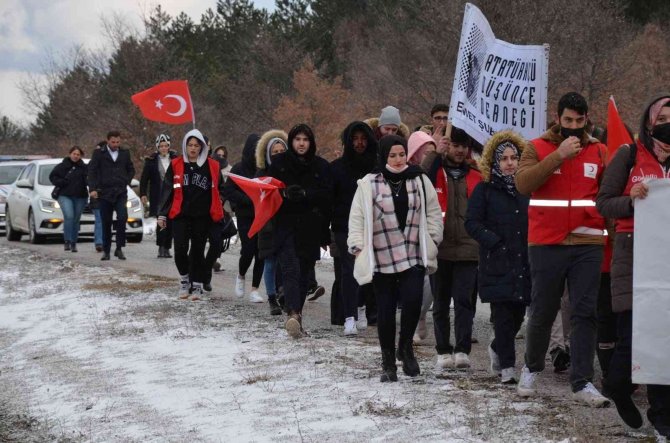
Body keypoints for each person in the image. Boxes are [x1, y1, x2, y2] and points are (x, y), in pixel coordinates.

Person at [515, 92, 610, 407]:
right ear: (557, 118)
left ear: (586, 120)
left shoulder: (599, 151)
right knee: (543, 309)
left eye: (579, 121)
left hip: (588, 241)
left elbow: (608, 192)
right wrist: (557, 156)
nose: (573, 126)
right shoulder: (536, 147)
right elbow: (524, 184)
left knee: (585, 312)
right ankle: (531, 369)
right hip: (546, 241)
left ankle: (582, 382)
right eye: (567, 120)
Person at [596, 94, 670, 436]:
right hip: (633, 253)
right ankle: (616, 385)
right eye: (664, 116)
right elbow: (604, 203)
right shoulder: (628, 156)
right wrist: (632, 199)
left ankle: (662, 415)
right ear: (650, 121)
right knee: (631, 333)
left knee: (663, 339)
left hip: (667, 256)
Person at [348, 134, 443, 382]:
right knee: (386, 310)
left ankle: (406, 347)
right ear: (384, 155)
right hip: (383, 253)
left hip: (413, 251)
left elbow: (433, 211)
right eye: (393, 155)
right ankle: (388, 361)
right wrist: (357, 244)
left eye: (402, 154)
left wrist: (433, 238)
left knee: (413, 302)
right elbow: (357, 216)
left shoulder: (419, 179)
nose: (398, 160)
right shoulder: (370, 183)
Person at [464, 131, 531, 384]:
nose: (510, 162)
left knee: (517, 316)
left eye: (514, 157)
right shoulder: (485, 189)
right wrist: (494, 242)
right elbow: (471, 222)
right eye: (504, 158)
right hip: (498, 261)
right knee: (502, 316)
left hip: (523, 261)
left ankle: (497, 347)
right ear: (494, 161)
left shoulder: (527, 189)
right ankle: (508, 368)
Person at [422, 127, 482, 370]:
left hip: (469, 248)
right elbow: (420, 176)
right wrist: (434, 151)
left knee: (464, 301)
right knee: (441, 302)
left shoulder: (477, 175)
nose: (459, 150)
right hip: (440, 247)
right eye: (455, 145)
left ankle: (462, 349)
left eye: (463, 146)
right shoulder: (436, 171)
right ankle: (443, 349)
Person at [266, 123, 332, 338]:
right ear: (291, 141)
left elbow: (326, 197)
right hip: (285, 224)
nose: (301, 143)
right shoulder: (278, 163)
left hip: (311, 225)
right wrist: (285, 194)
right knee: (290, 268)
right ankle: (293, 313)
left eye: (305, 139)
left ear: (311, 142)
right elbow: (267, 191)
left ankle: (297, 315)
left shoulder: (320, 166)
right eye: (297, 139)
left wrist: (305, 194)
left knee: (304, 272)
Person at [157, 129, 224, 300]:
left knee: (197, 251)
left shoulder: (212, 166)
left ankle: (198, 284)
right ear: (185, 146)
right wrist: (162, 214)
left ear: (202, 147)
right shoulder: (176, 164)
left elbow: (221, 189)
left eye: (196, 145)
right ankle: (185, 279)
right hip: (180, 214)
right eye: (190, 145)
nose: (193, 148)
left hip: (202, 216)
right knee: (180, 249)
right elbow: (167, 190)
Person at [330, 121, 379, 336]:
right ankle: (349, 316)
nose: (359, 143)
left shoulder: (377, 168)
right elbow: (330, 200)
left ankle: (362, 309)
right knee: (348, 271)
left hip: (372, 225)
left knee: (369, 271)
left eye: (363, 139)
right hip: (343, 227)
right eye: (355, 139)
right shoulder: (337, 168)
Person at [222, 134, 265, 303]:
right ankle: (241, 276)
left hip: (262, 215)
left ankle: (255, 289)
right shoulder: (238, 169)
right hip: (245, 215)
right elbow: (229, 190)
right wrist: (247, 199)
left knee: (260, 251)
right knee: (248, 249)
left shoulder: (264, 168)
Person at [407, 130, 438, 344]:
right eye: (425, 152)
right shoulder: (408, 172)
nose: (429, 155)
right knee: (417, 281)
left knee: (432, 281)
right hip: (412, 234)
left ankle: (421, 314)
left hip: (434, 230)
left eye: (432, 151)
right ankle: (415, 319)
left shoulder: (442, 167)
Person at [255, 129, 289, 315]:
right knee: (270, 261)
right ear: (268, 154)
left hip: (286, 221)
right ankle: (271, 298)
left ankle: (284, 291)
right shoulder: (261, 174)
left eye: (281, 151)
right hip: (268, 223)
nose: (278, 155)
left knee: (286, 260)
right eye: (274, 152)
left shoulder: (291, 170)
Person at [88, 131, 135, 261]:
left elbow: (131, 169)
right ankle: (106, 250)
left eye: (118, 142)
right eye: (113, 142)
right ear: (108, 141)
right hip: (104, 193)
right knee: (106, 222)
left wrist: (127, 180)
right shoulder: (99, 153)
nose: (115, 144)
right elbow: (91, 171)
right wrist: (92, 188)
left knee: (122, 217)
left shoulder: (125, 153)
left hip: (120, 192)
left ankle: (119, 248)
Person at [140, 134, 177, 258]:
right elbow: (144, 179)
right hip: (158, 195)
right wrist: (143, 193)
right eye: (161, 146)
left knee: (171, 222)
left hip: (173, 194)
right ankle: (161, 247)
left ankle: (167, 247)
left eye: (166, 146)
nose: (164, 148)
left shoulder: (175, 159)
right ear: (157, 147)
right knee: (162, 221)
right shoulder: (151, 161)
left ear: (169, 146)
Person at [49, 146, 88, 252]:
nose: (76, 156)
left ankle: (74, 242)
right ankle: (67, 240)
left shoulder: (84, 167)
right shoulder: (62, 166)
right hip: (65, 195)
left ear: (81, 156)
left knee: (76, 219)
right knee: (69, 216)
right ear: (70, 154)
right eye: (74, 154)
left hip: (80, 196)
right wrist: (62, 182)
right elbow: (52, 177)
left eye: (78, 154)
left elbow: (89, 179)